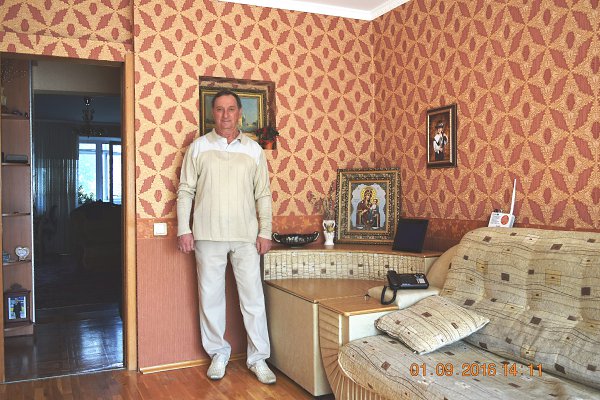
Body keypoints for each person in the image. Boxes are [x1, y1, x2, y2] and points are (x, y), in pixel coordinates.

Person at [177, 90, 276, 384]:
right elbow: (185, 191)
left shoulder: (254, 150)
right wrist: (184, 229)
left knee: (253, 299)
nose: (225, 115)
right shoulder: (198, 147)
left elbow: (263, 194)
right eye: (219, 109)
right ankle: (218, 353)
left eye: (231, 109)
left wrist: (265, 231)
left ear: (239, 113)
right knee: (210, 298)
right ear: (213, 114)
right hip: (207, 235)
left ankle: (258, 358)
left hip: (246, 236)